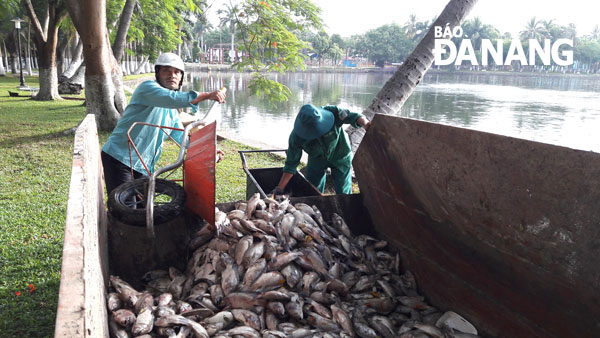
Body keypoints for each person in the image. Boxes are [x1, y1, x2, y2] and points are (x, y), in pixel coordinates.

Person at [101, 52, 226, 195]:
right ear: (158, 73)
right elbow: (172, 98)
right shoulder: (147, 88)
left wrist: (207, 150)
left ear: (181, 77)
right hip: (119, 157)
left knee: (143, 208)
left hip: (142, 165)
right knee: (125, 207)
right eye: (166, 70)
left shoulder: (172, 112)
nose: (172, 75)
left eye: (176, 72)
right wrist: (208, 95)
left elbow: (180, 137)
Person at [272, 104, 371, 195]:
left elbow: (355, 117)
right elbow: (291, 164)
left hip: (341, 154)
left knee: (343, 190)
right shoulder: (296, 138)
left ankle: (346, 210)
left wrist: (366, 124)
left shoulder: (334, 112)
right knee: (313, 189)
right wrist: (280, 188)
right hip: (317, 159)